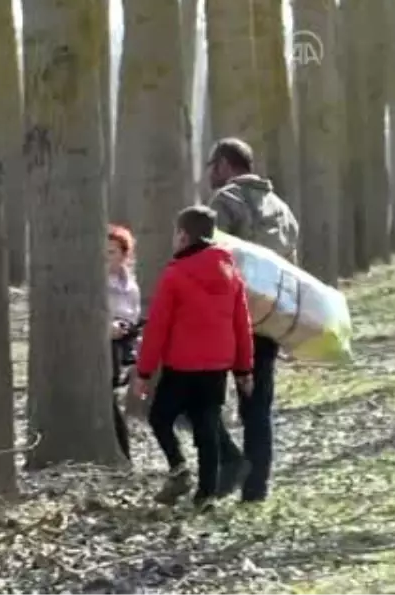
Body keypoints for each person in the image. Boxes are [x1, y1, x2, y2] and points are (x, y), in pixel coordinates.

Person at [133, 206, 254, 509]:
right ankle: (206, 494)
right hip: (217, 366)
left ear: (183, 236)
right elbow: (242, 324)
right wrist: (243, 369)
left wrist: (144, 372)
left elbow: (158, 327)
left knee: (160, 417)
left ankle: (178, 469)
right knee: (206, 425)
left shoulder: (175, 275)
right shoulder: (231, 273)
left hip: (181, 365)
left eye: (176, 234)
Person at [205, 137, 299, 503]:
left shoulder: (225, 202)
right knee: (258, 406)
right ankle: (256, 489)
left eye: (212, 165)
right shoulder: (283, 209)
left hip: (227, 319)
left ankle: (223, 469)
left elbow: (211, 260)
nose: (210, 174)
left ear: (225, 164)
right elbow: (294, 270)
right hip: (269, 320)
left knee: (198, 398)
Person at [106, 224, 141, 461]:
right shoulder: (95, 282)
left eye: (112, 253)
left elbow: (133, 315)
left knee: (111, 398)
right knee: (109, 399)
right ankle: (122, 452)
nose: (106, 259)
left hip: (123, 344)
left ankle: (122, 453)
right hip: (103, 343)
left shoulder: (130, 285)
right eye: (103, 253)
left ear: (124, 255)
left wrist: (124, 327)